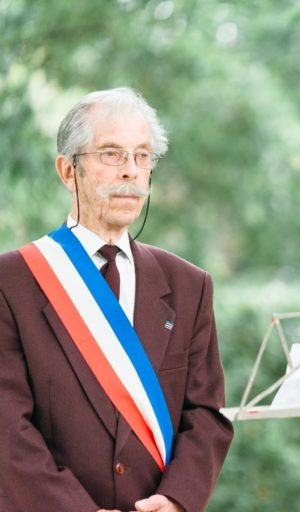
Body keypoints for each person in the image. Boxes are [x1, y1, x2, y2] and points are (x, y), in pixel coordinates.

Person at [0, 87, 233, 512]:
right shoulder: (11, 281)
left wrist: (177, 499)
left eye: (142, 156)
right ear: (68, 171)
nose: (131, 171)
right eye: (111, 154)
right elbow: (6, 425)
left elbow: (206, 414)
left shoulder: (189, 285)